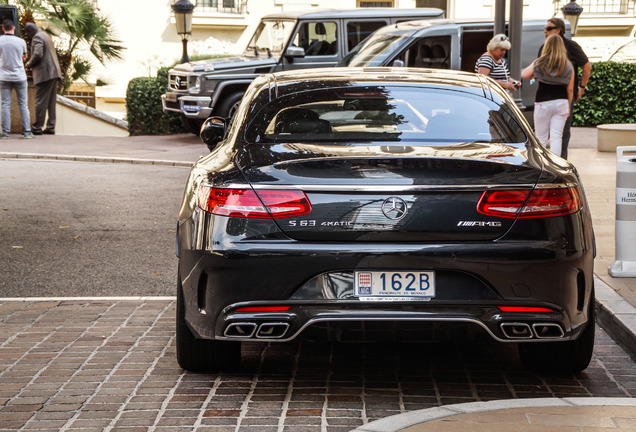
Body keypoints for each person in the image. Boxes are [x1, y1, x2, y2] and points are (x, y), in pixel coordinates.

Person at [539, 18, 591, 159]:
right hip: (547, 97)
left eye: (548, 28)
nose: (545, 31)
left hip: (563, 97)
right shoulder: (543, 47)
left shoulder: (570, 46)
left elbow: (586, 65)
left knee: (561, 133)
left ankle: (560, 163)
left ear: (558, 30)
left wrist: (581, 88)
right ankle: (547, 164)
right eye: (545, 28)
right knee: (548, 135)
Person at [522, 34, 574, 158]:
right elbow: (570, 89)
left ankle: (541, 164)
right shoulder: (568, 65)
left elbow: (524, 74)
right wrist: (569, 107)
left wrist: (534, 74)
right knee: (557, 137)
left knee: (541, 137)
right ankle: (556, 164)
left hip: (543, 102)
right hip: (561, 102)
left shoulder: (539, 62)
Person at [24, 22, 62, 135]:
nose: (29, 36)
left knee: (40, 101)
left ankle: (37, 127)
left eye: (28, 33)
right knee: (51, 101)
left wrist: (28, 64)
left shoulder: (37, 37)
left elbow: (38, 54)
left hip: (45, 74)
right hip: (54, 72)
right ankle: (50, 126)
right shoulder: (45, 35)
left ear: (30, 31)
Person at [0, 20, 34, 139]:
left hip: (4, 77)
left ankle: (5, 133)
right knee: (23, 104)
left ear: (3, 29)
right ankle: (27, 132)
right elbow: (24, 57)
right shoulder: (21, 42)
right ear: (13, 28)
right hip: (20, 76)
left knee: (5, 104)